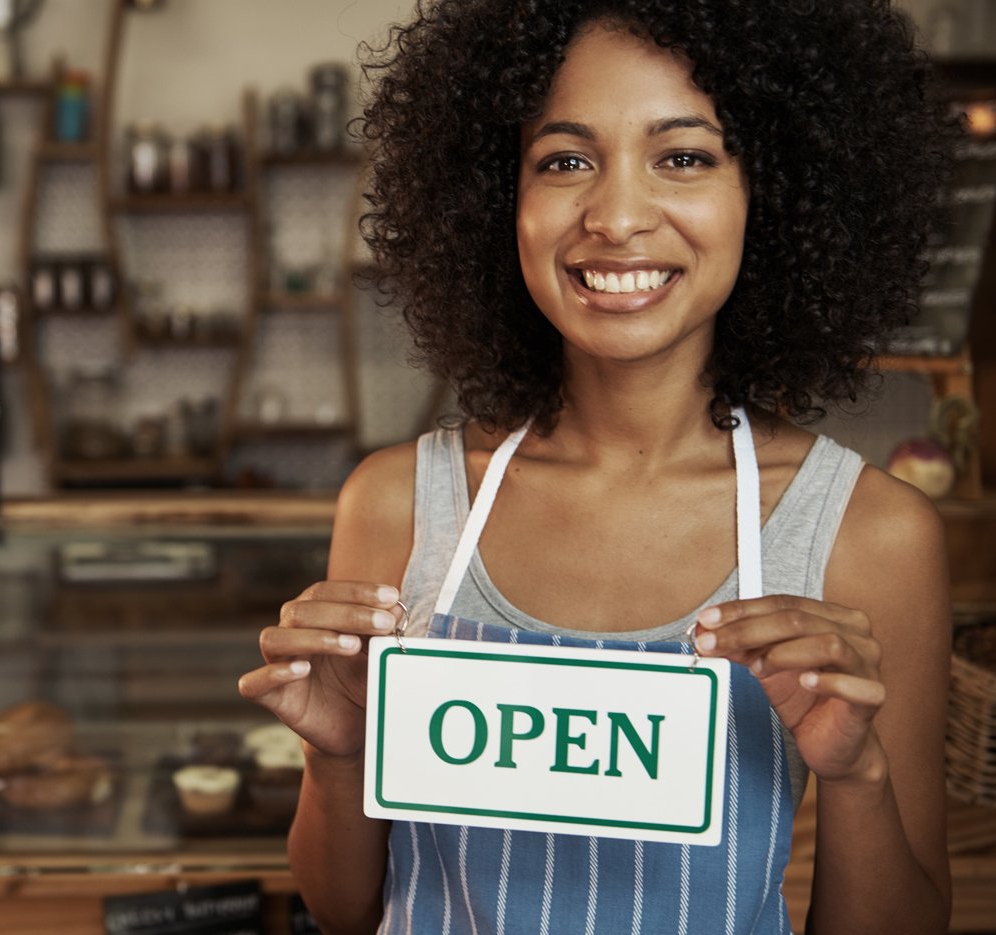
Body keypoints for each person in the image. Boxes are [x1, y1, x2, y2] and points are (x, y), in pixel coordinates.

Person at [238, 0, 955, 931]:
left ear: (772, 194)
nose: (616, 217)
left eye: (685, 157)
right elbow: (348, 909)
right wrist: (338, 756)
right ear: (502, 200)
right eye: (565, 160)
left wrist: (855, 774)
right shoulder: (398, 505)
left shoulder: (870, 534)